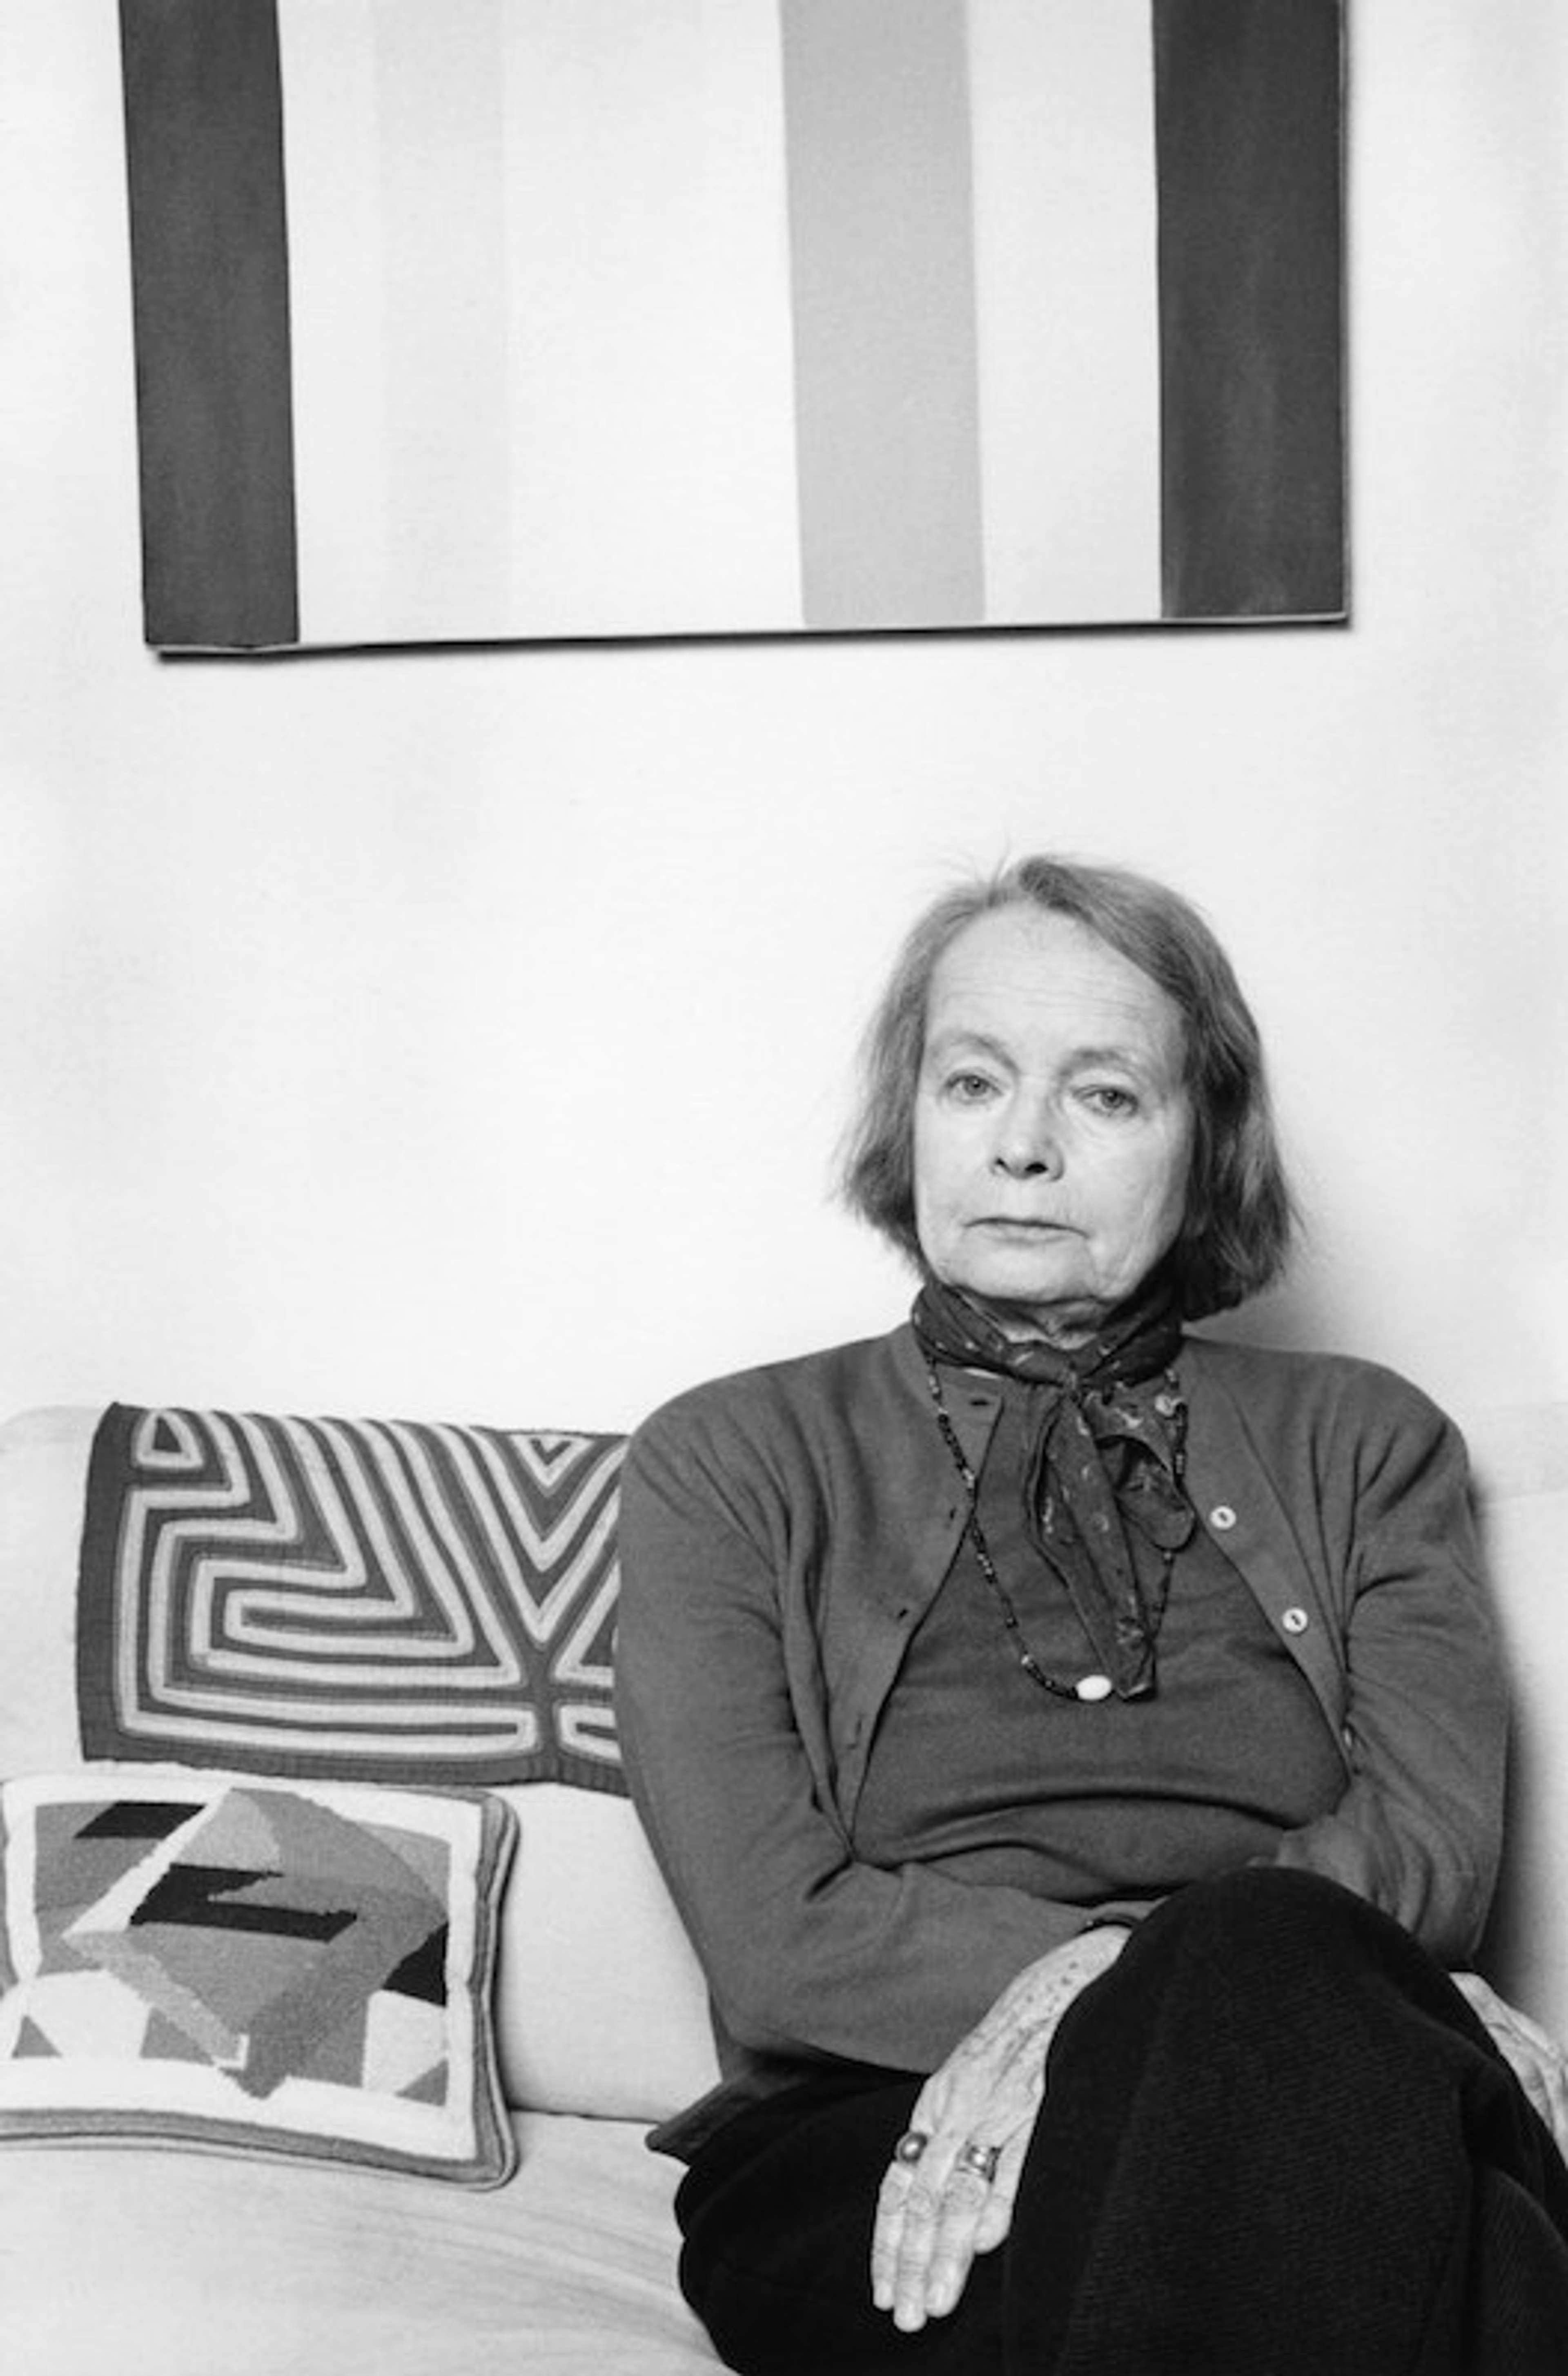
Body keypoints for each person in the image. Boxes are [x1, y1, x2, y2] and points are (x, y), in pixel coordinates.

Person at [616, 856, 1568, 2374]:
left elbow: (1436, 1858)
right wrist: (1131, 1989)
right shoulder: (728, 1457)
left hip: (1312, 2046)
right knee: (1474, 2249)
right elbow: (778, 1940)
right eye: (973, 1080)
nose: (1024, 1150)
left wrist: (1138, 1981)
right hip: (891, 2125)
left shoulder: (1369, 1440)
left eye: (1107, 1096)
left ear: (1211, 1146)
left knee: (1278, 2010)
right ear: (908, 1114)